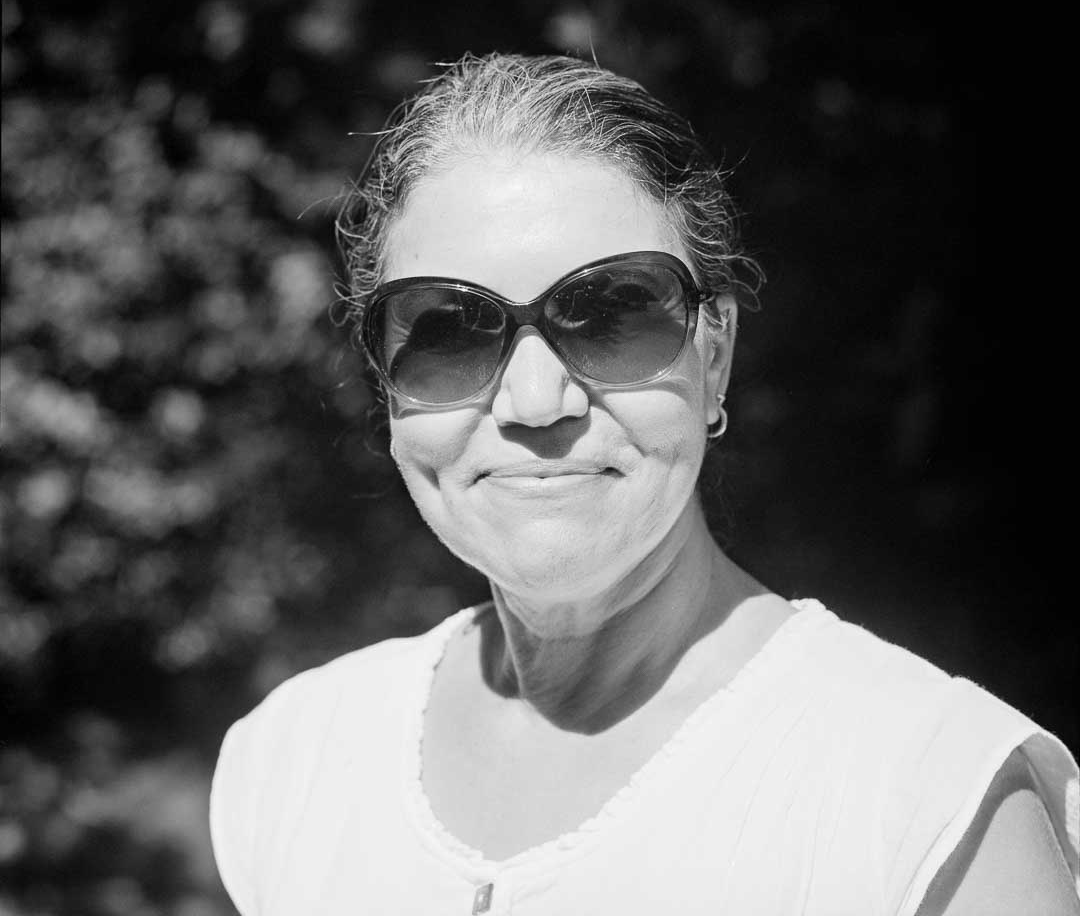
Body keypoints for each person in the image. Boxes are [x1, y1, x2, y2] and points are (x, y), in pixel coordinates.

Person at [210, 53, 1078, 915]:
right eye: (448, 333)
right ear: (385, 381)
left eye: (613, 314)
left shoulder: (926, 803)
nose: (535, 402)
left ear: (715, 355)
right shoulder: (295, 762)